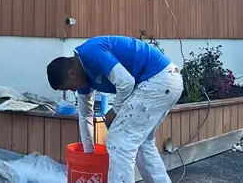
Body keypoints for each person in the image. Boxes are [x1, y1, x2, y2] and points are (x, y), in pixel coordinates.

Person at [46, 35, 183, 183]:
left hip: (158, 80)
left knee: (119, 141)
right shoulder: (83, 80)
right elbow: (85, 117)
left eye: (69, 87)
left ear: (71, 73)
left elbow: (126, 83)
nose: (73, 90)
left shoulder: (91, 52)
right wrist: (89, 155)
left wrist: (114, 111)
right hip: (164, 82)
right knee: (143, 143)